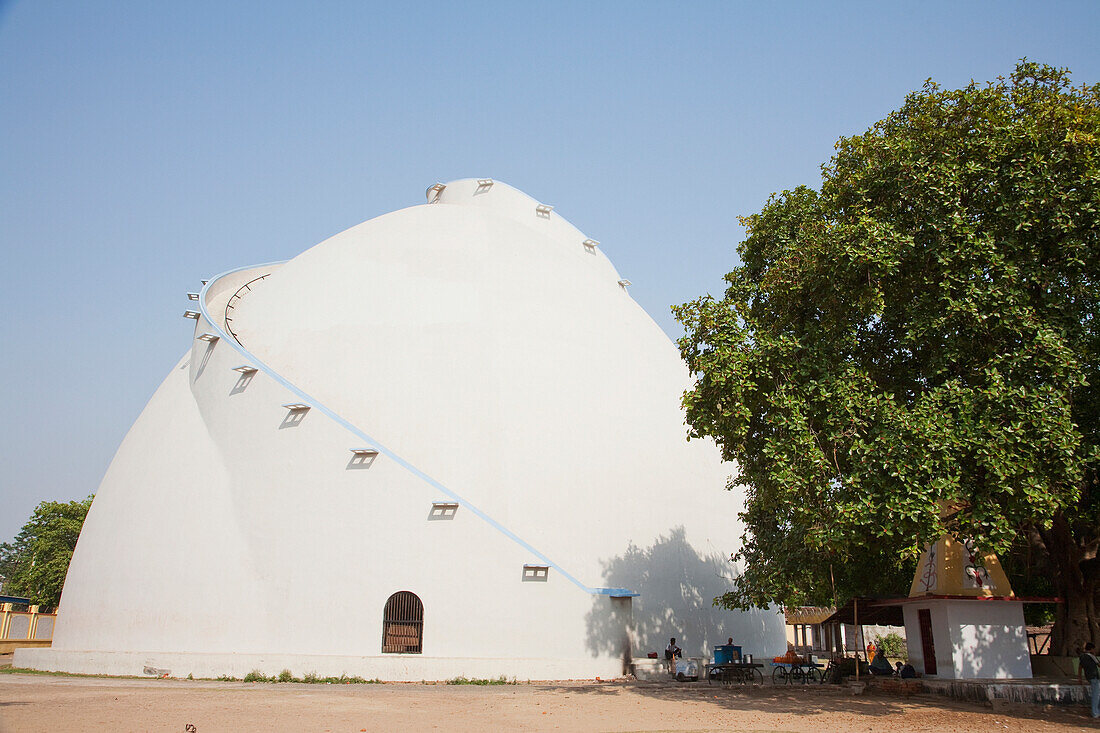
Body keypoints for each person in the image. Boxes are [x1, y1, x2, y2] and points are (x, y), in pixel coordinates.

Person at [1079, 642, 1100, 718]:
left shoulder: (1082, 656)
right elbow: (1099, 665)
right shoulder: (1092, 656)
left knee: (1097, 694)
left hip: (1088, 677)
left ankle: (1097, 711)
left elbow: (1080, 667)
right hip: (1094, 677)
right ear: (1091, 649)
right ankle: (1095, 713)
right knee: (1096, 695)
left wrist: (1080, 678)